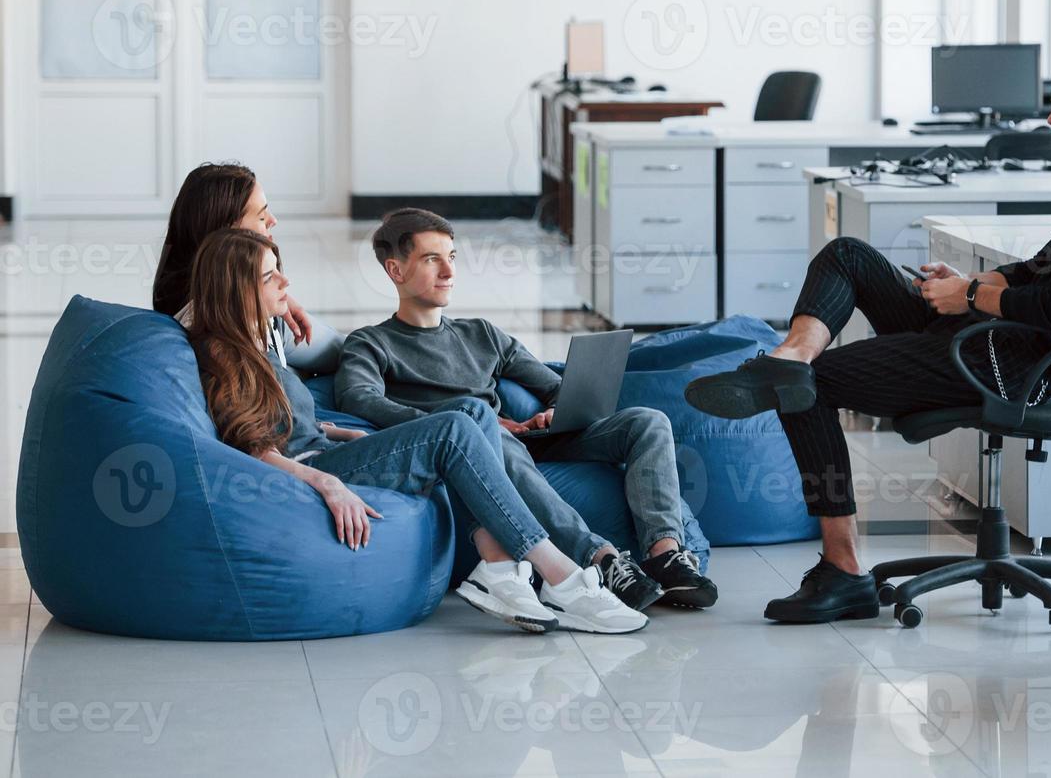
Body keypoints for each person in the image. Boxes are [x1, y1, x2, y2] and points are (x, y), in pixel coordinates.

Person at [685, 46, 1051, 624]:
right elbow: (1044, 271)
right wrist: (974, 283)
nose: (1049, 119)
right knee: (849, 255)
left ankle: (843, 571)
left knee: (808, 389)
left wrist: (968, 297)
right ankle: (789, 355)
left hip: (1000, 363)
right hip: (989, 337)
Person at [186, 228, 648, 635]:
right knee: (453, 428)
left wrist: (348, 436)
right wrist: (327, 483)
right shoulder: (224, 355)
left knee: (463, 424)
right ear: (237, 291)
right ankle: (563, 577)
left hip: (327, 450)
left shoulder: (260, 345)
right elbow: (252, 449)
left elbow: (292, 426)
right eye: (270, 278)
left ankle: (504, 569)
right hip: (314, 472)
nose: (286, 282)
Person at [335, 208, 718, 612]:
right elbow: (359, 398)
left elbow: (553, 385)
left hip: (529, 438)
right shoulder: (371, 342)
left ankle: (665, 555)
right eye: (432, 259)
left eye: (452, 257)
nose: (448, 271)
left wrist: (556, 410)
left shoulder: (481, 333)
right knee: (481, 422)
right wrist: (467, 423)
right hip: (479, 456)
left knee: (648, 422)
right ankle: (601, 560)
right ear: (395, 270)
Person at [154, 161, 343, 373]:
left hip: (271, 323)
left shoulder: (200, 285)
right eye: (262, 216)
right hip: (266, 329)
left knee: (350, 352)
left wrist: (273, 295)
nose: (273, 220)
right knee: (351, 353)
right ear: (228, 234)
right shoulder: (215, 321)